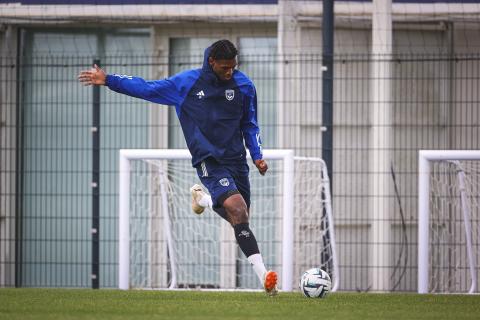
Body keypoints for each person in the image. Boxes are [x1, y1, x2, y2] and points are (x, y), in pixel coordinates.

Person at [78, 39, 278, 296]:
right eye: (225, 68)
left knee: (240, 217)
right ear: (211, 62)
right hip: (208, 160)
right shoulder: (187, 84)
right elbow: (147, 88)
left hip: (236, 160)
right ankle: (265, 277)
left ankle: (204, 200)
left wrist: (257, 155)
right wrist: (108, 80)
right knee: (237, 209)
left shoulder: (244, 85)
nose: (230, 72)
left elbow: (250, 124)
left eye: (233, 67)